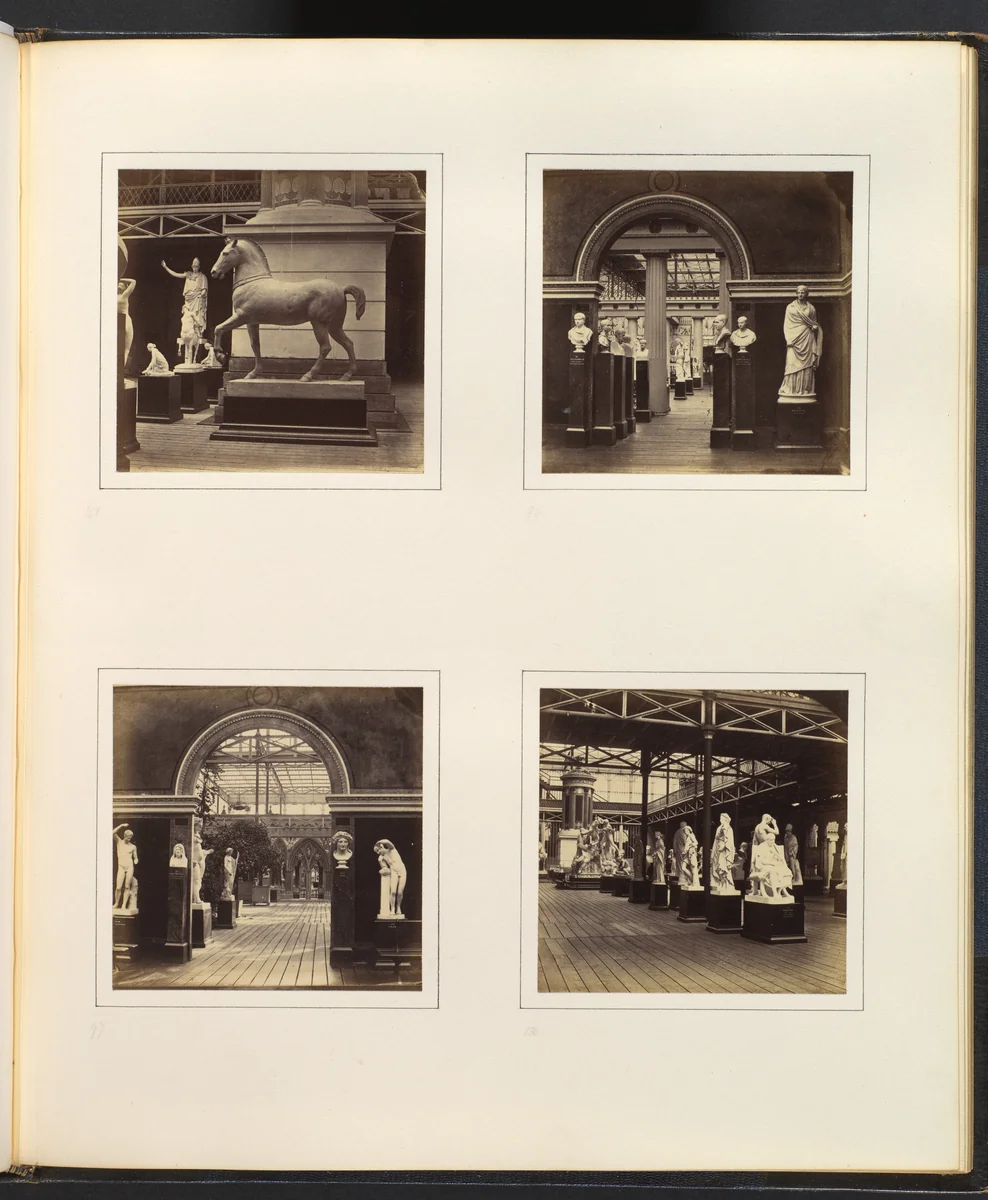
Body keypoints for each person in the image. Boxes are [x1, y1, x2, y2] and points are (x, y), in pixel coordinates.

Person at [161, 256, 209, 363]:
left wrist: (201, 294)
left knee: (197, 316)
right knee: (187, 318)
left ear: (199, 267)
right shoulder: (188, 275)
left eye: (197, 266)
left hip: (197, 299)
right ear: (192, 266)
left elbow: (204, 290)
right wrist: (166, 267)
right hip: (188, 299)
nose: (195, 268)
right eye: (193, 266)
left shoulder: (202, 277)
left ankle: (198, 333)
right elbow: (176, 274)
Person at [778, 284, 823, 398]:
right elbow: (786, 325)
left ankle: (805, 389)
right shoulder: (790, 307)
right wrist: (788, 339)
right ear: (796, 293)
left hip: (807, 338)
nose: (800, 294)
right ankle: (790, 389)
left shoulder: (811, 308)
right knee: (791, 363)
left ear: (806, 294)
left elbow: (814, 323)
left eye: (803, 292)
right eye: (799, 292)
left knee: (807, 365)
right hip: (793, 338)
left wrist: (814, 327)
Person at [113, 825, 138, 911]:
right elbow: (112, 833)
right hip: (121, 866)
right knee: (118, 887)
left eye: (130, 838)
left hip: (129, 866)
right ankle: (116, 903)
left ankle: (124, 904)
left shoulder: (133, 847)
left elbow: (135, 857)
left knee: (127, 886)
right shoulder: (119, 842)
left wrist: (136, 860)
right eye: (127, 838)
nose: (128, 839)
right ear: (124, 836)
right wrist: (121, 825)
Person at [710, 813, 737, 893]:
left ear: (725, 819)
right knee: (718, 868)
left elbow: (729, 840)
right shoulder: (720, 827)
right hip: (718, 850)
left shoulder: (729, 828)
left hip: (724, 851)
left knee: (723, 867)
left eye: (721, 818)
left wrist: (724, 846)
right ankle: (721, 883)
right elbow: (717, 837)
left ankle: (726, 884)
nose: (720, 820)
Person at [117, 278, 136, 368]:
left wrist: (119, 278)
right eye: (119, 284)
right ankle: (120, 371)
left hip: (121, 320)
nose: (119, 285)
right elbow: (133, 281)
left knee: (124, 349)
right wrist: (121, 278)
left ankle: (119, 372)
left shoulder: (120, 295)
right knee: (126, 349)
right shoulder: (124, 295)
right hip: (124, 320)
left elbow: (133, 282)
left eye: (121, 284)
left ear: (125, 287)